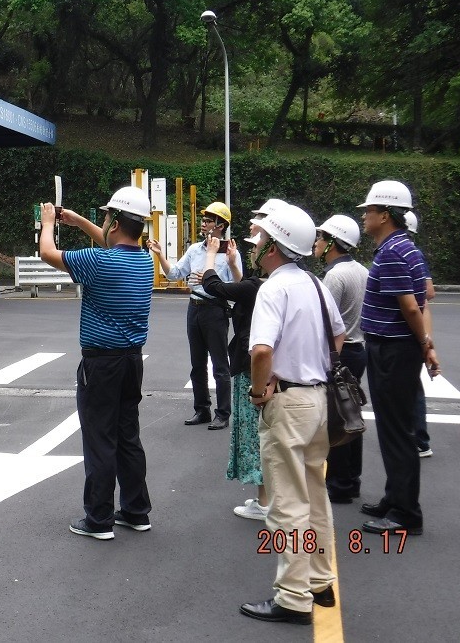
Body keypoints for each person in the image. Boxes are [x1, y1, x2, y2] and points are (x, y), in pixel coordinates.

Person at [239, 203, 345, 626]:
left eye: (261, 238)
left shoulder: (273, 289)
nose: (256, 244)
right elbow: (339, 335)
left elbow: (262, 350)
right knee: (315, 495)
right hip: (319, 401)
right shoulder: (315, 284)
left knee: (286, 504)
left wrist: (259, 390)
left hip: (287, 402)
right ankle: (319, 581)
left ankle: (293, 597)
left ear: (274, 247)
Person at [39, 187, 155, 541]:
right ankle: (135, 511)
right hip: (132, 361)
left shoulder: (99, 262)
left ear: (116, 223)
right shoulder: (144, 261)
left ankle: (99, 518)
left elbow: (47, 253)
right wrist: (77, 221)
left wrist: (48, 222)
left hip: (101, 363)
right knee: (127, 436)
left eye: (106, 217)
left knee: (99, 439)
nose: (103, 222)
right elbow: (111, 242)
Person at [357, 181, 438, 536]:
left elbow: (410, 306)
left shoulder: (392, 252)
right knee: (396, 428)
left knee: (396, 431)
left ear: (385, 215)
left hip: (391, 349)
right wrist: (426, 345)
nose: (364, 216)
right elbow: (420, 302)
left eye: (369, 210)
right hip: (396, 348)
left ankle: (406, 513)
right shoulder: (406, 248)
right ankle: (394, 499)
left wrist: (424, 343)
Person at [200, 198, 286, 522]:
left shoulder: (258, 286)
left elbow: (214, 286)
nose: (252, 249)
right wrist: (235, 264)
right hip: (276, 371)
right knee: (269, 435)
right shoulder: (275, 283)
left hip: (252, 369)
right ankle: (269, 498)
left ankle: (264, 502)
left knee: (255, 435)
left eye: (256, 244)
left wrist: (212, 256)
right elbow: (244, 290)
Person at [147, 201, 242, 429]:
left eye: (208, 220)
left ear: (220, 225)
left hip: (215, 309)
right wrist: (160, 255)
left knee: (220, 365)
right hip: (194, 307)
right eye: (203, 219)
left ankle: (223, 413)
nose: (203, 223)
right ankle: (202, 410)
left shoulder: (230, 252)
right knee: (197, 364)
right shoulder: (195, 250)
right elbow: (174, 274)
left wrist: (215, 276)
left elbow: (238, 285)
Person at [313, 215, 370, 504]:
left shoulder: (334, 277)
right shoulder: (361, 270)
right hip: (357, 349)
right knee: (351, 412)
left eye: (321, 238)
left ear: (332, 243)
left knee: (336, 418)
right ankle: (352, 479)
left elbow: (325, 321)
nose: (316, 242)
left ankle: (339, 483)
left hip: (339, 351)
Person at [405, 210, 438, 458]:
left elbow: (428, 292)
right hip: (414, 329)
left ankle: (419, 440)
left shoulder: (409, 254)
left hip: (407, 331)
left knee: (411, 386)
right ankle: (417, 438)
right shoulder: (412, 252)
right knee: (411, 385)